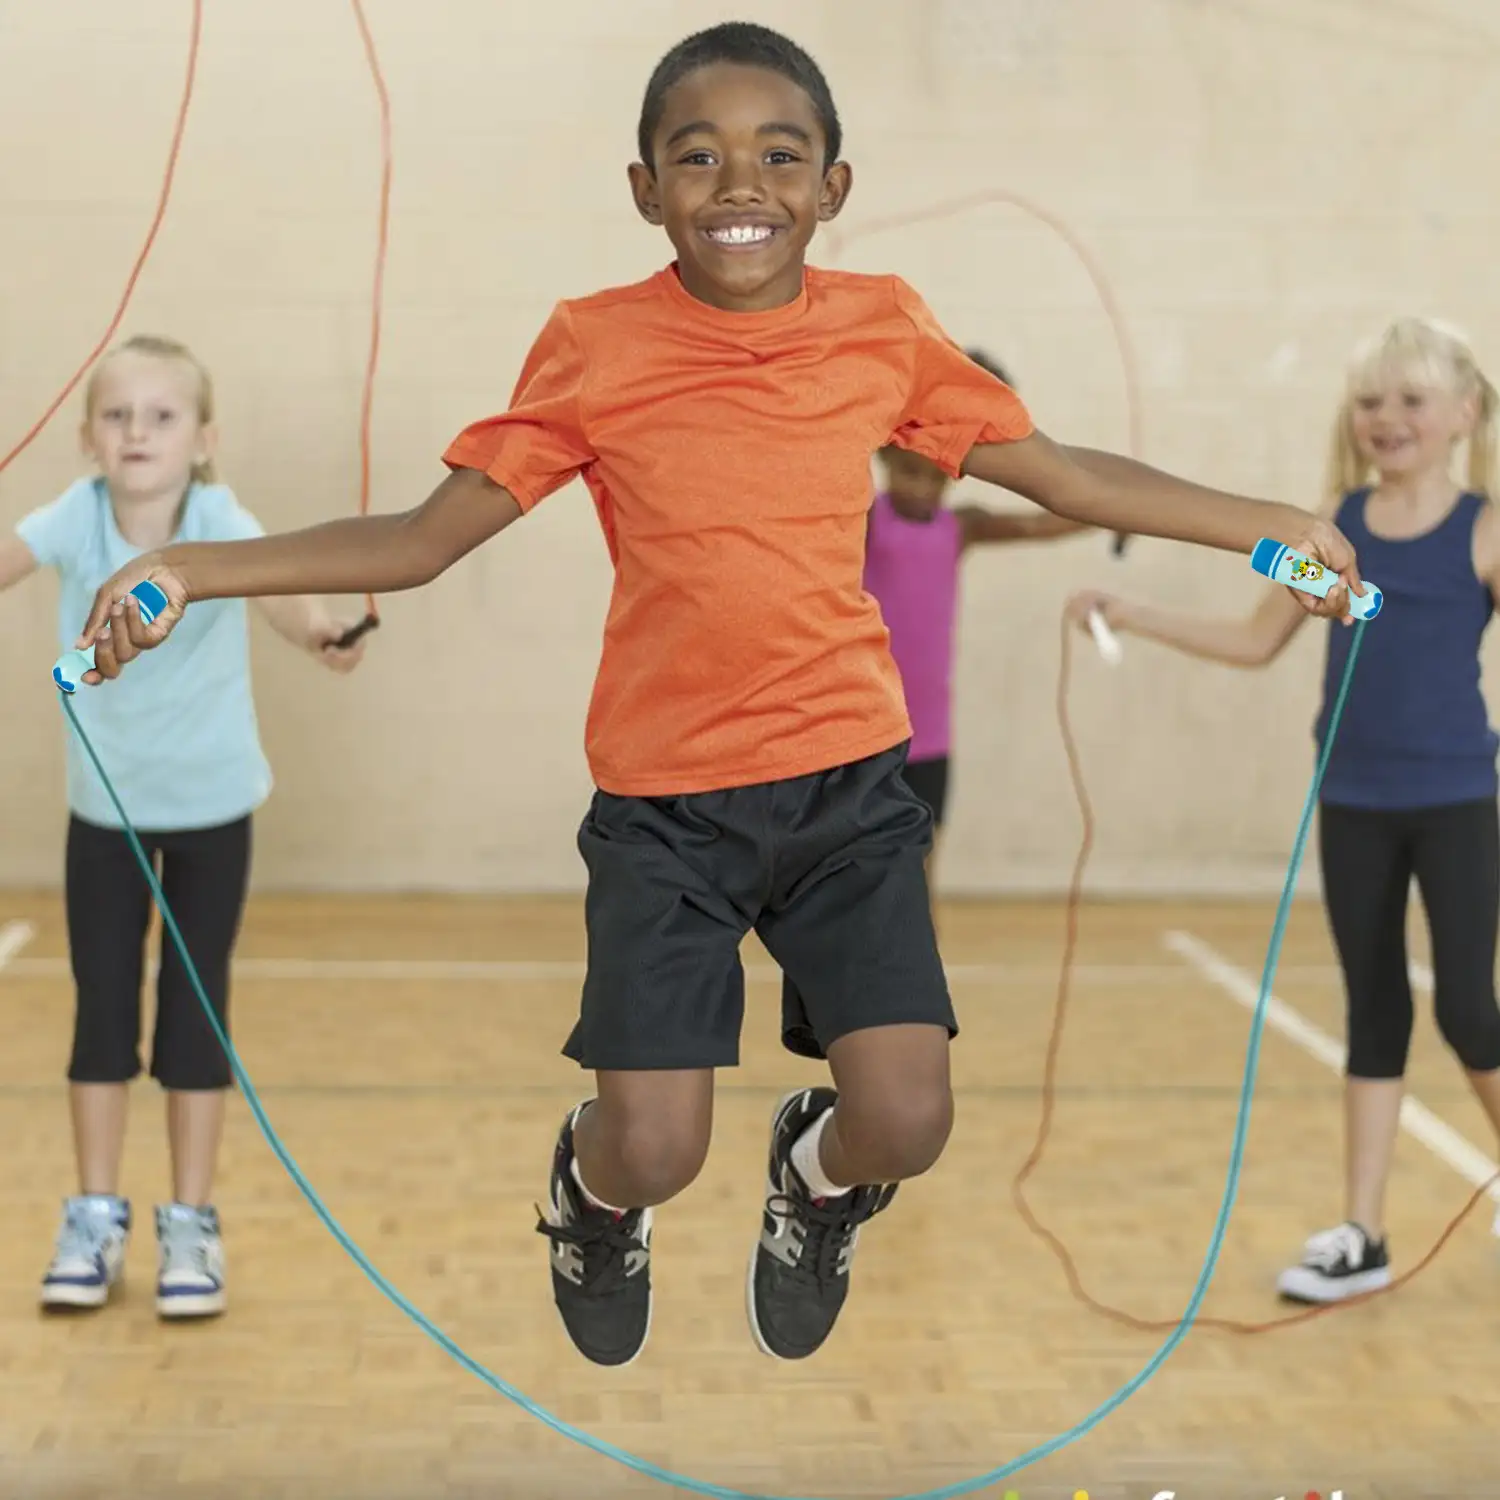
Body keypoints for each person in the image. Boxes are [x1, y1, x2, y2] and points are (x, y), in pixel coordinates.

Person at [71, 25, 1360, 1365]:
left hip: (848, 790)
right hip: (666, 808)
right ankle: (588, 1195)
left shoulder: (883, 329)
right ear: (645, 189)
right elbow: (421, 538)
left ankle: (813, 1177)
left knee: (908, 1118)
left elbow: (1065, 478)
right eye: (698, 156)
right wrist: (188, 567)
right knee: (656, 1147)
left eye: (777, 155)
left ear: (834, 186)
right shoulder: (594, 346)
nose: (739, 183)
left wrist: (1269, 530)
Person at [1066, 315, 1500, 1304]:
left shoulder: (1484, 530)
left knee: (1471, 1009)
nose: (1386, 417)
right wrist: (1134, 614)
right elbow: (1256, 641)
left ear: (1464, 414)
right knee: (1375, 1008)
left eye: (1411, 399)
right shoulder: (1330, 528)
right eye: (1369, 400)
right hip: (1351, 803)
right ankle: (1364, 1232)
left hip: (1458, 804)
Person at [0, 334, 367, 1319]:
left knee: (194, 1024)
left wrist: (325, 633)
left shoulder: (214, 519)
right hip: (105, 820)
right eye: (118, 415)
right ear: (87, 437)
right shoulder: (76, 520)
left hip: (211, 814)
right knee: (103, 1016)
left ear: (203, 438)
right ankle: (92, 1215)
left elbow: (280, 593)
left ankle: (190, 1226)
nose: (137, 432)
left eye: (161, 416)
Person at [863, 347, 1091, 885]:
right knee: (866, 881)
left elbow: (1042, 524)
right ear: (887, 459)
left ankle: (923, 967)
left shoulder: (959, 527)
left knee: (920, 877)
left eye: (935, 478)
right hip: (865, 735)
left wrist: (1117, 517)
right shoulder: (866, 519)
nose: (922, 489)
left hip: (931, 736)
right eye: (910, 474)